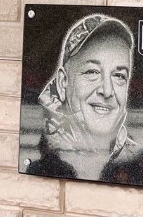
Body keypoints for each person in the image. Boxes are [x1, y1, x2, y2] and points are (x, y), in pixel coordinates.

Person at [31, 14, 137, 179]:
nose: (107, 91)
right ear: (63, 81)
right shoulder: (42, 157)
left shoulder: (137, 161)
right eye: (92, 72)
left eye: (119, 76)